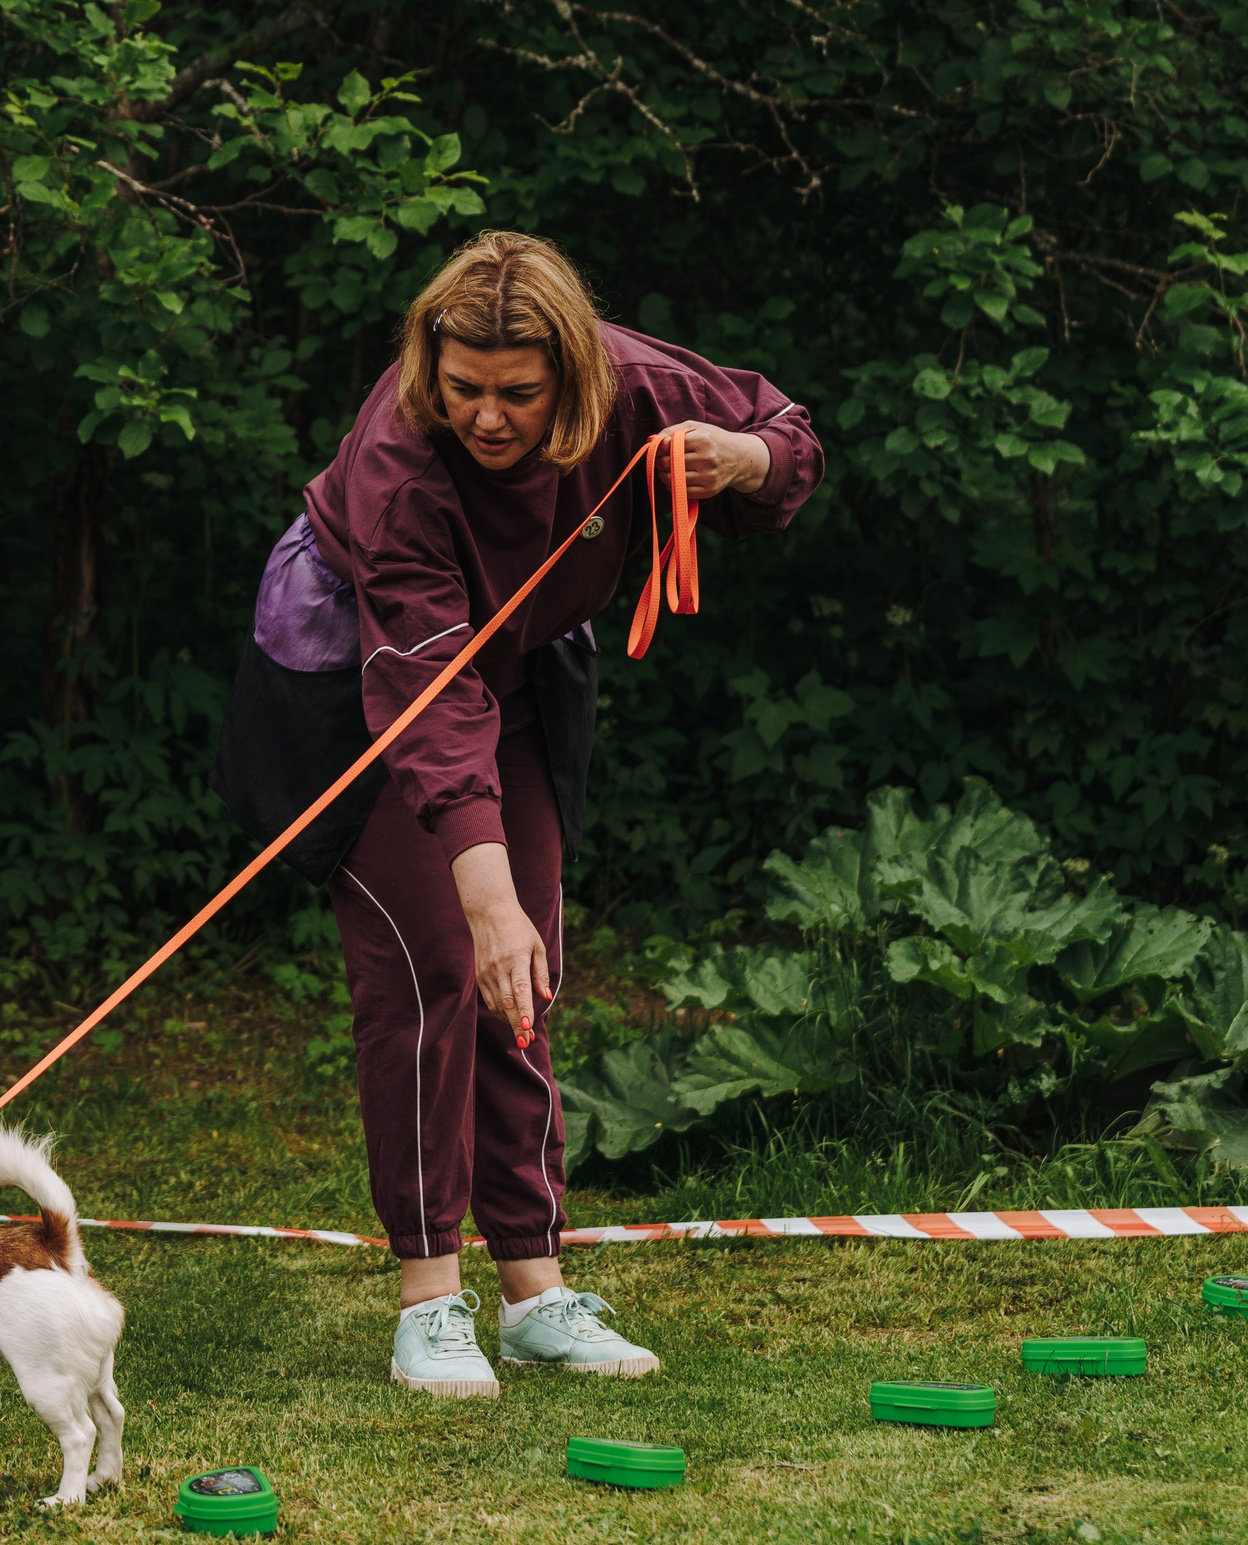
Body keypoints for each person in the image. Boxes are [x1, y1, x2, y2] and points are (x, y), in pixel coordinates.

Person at [211, 231, 822, 1397]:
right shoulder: (399, 459)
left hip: (519, 667)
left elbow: (787, 431)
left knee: (523, 967)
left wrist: (737, 458)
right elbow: (428, 694)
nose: (488, 417)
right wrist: (481, 896)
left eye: (519, 394)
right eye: (465, 388)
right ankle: (427, 1299)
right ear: (429, 367)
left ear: (574, 375)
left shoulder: (633, 378)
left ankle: (536, 1293)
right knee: (441, 958)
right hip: (364, 680)